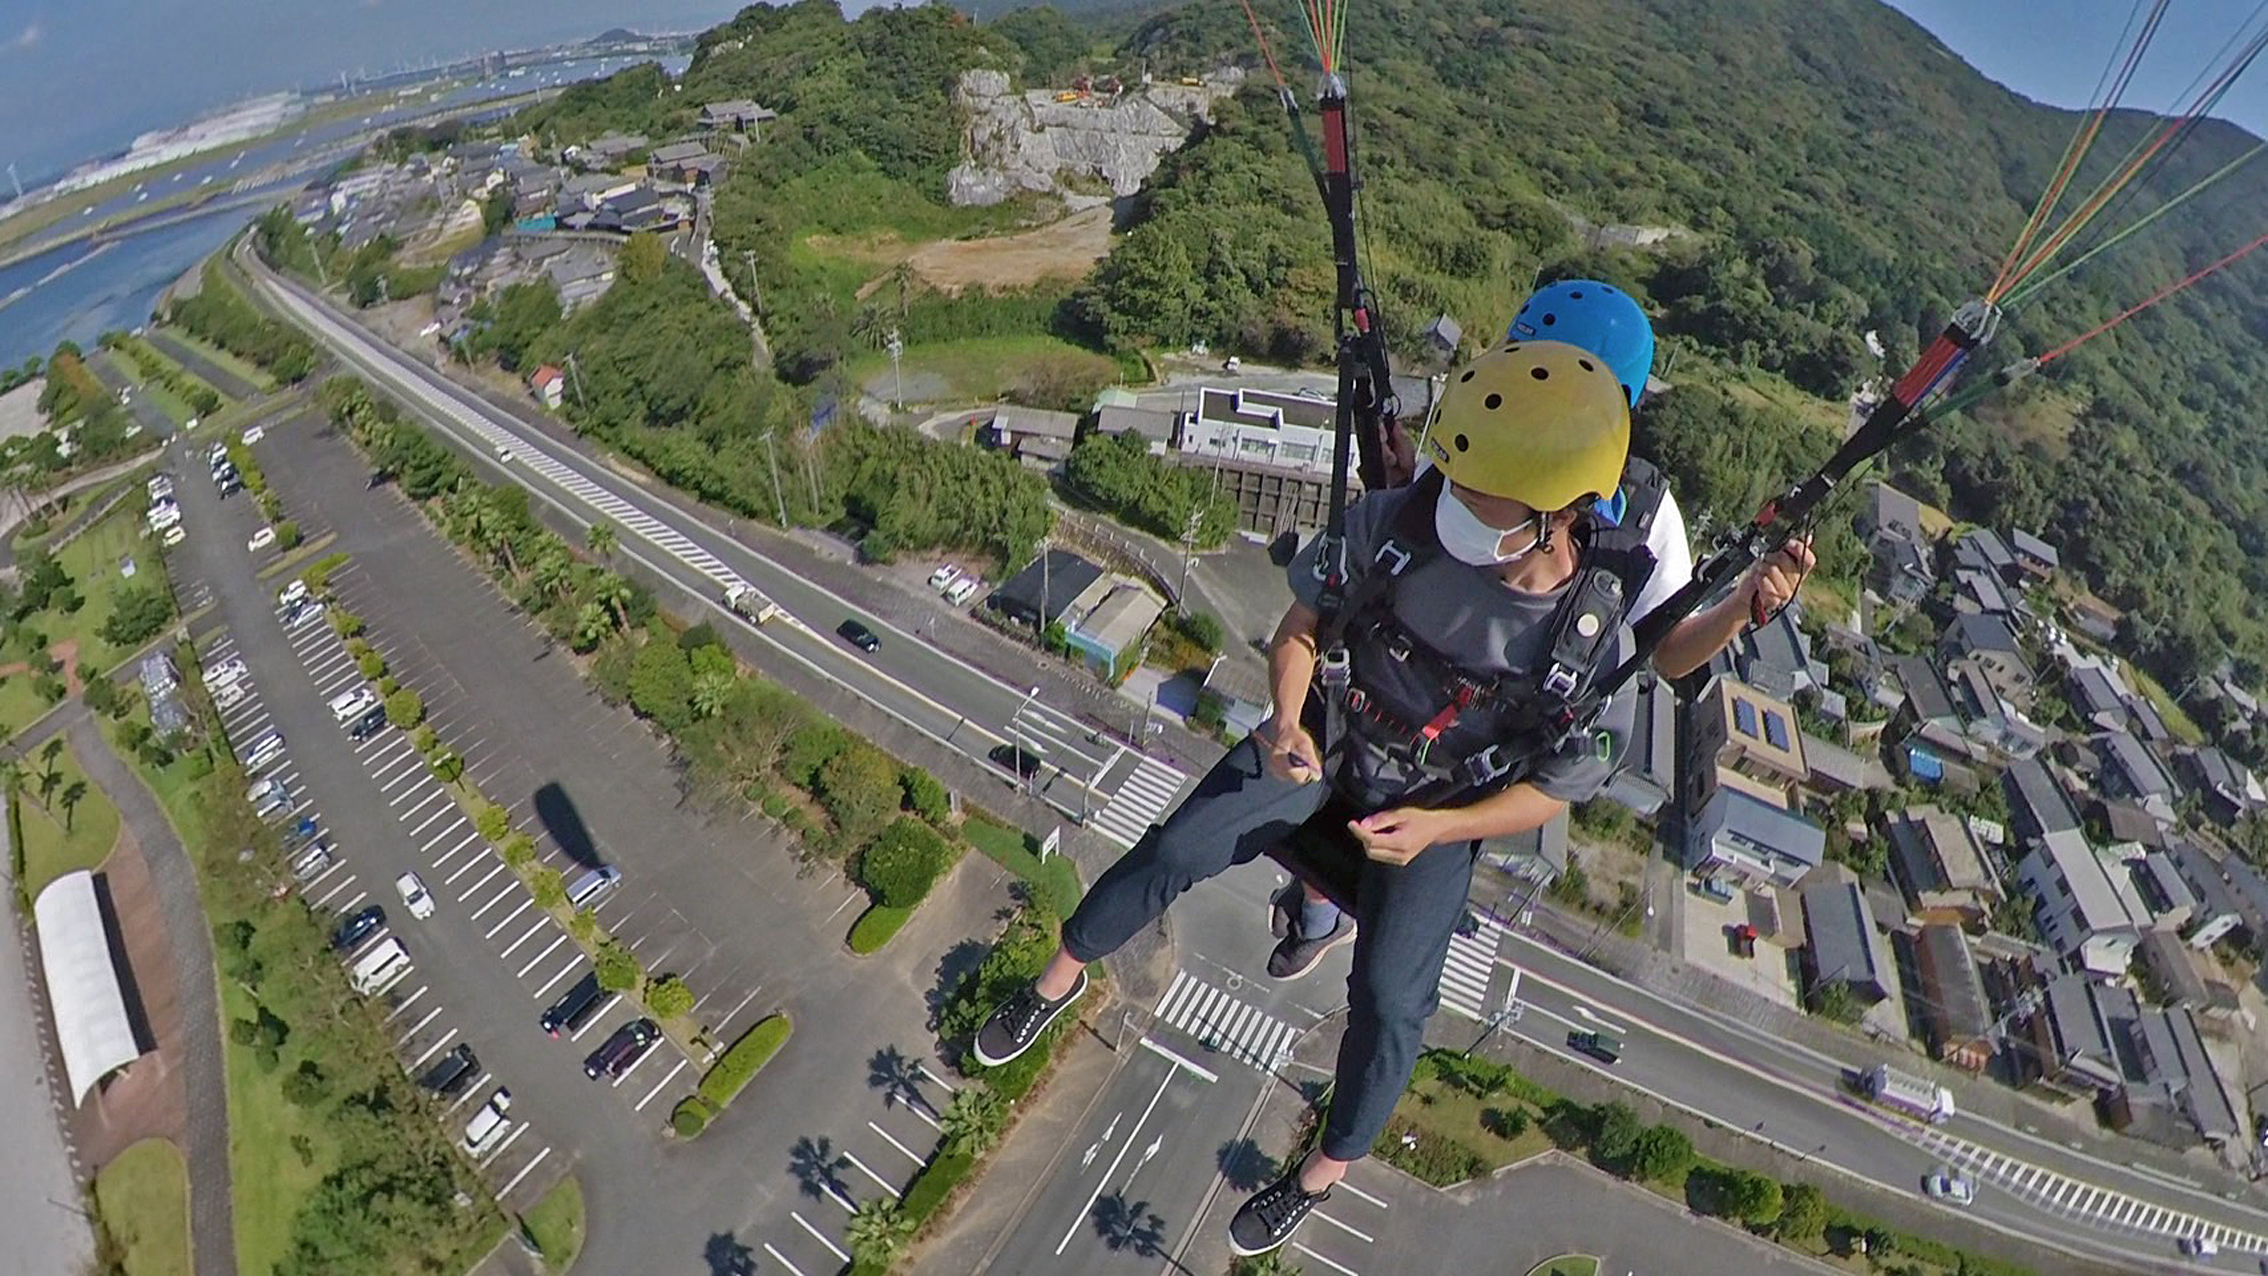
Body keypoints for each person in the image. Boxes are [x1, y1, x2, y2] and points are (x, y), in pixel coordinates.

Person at [971, 341, 1648, 1256]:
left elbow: (1547, 791)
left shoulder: (1588, 643)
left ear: (1555, 516)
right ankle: (1059, 978)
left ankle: (1323, 1171)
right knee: (1178, 847)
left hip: (1438, 809)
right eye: (1453, 480)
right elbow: (1302, 626)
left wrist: (1445, 826)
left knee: (1393, 1004)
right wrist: (1286, 716)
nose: (1454, 507)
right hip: (1326, 742)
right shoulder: (1404, 522)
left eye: (1478, 497)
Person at [1266, 280, 1815, 978]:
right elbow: (1428, 524)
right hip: (1407, 667)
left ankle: (1326, 918)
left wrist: (1740, 607)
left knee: (1390, 831)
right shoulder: (1486, 416)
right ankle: (1318, 908)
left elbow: (1668, 654)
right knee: (1338, 786)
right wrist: (1403, 480)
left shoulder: (1647, 513)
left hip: (1487, 716)